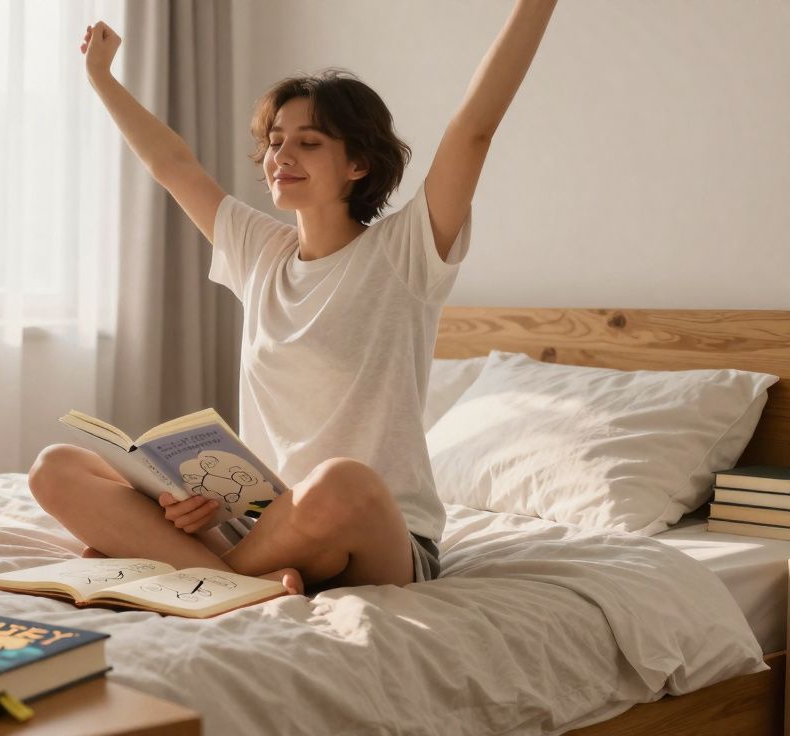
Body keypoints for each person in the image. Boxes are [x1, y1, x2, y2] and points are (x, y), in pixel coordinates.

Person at [29, 2, 558, 595]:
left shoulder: (406, 253)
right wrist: (102, 77)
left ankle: (196, 570)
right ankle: (236, 574)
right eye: (276, 141)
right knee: (56, 468)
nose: (281, 157)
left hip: (369, 532)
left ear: (358, 163)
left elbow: (474, 131)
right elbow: (171, 163)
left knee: (343, 482)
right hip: (261, 525)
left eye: (307, 143)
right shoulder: (259, 250)